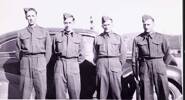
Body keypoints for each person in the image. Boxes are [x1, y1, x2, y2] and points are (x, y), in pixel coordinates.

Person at [132, 14, 170, 100]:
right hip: (145, 66)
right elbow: (134, 58)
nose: (146, 27)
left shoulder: (161, 37)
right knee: (145, 94)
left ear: (153, 24)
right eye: (144, 24)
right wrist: (136, 73)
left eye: (148, 24)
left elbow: (167, 54)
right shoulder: (138, 39)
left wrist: (163, 67)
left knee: (163, 92)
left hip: (159, 65)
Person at [16, 8, 52, 99]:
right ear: (26, 17)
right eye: (29, 16)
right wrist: (24, 61)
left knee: (41, 91)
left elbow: (48, 51)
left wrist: (43, 63)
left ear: (36, 16)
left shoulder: (44, 31)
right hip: (26, 62)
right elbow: (18, 51)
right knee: (25, 93)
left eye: (33, 16)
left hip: (40, 62)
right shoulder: (21, 33)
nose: (31, 18)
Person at [93, 16, 127, 99]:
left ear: (112, 25)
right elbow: (95, 54)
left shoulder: (118, 37)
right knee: (101, 92)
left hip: (115, 65)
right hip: (102, 65)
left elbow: (123, 54)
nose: (107, 27)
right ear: (102, 26)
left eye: (108, 24)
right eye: (105, 25)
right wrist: (99, 64)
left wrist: (118, 65)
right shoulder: (97, 38)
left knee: (116, 92)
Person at [53, 13, 85, 99]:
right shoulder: (57, 36)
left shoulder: (79, 37)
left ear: (73, 23)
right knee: (60, 94)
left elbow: (82, 54)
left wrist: (74, 62)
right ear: (63, 23)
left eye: (70, 23)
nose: (68, 25)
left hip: (73, 65)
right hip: (60, 64)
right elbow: (53, 51)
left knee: (74, 92)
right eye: (66, 23)